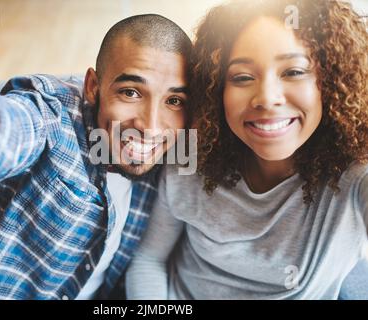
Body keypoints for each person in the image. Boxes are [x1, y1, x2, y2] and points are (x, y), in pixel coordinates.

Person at [0, 14, 191, 299]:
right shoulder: (52, 118)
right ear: (93, 87)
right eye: (131, 92)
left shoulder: (179, 148)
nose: (151, 127)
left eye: (173, 101)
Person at [126, 0, 368, 299]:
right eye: (242, 77)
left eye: (293, 71)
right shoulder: (192, 157)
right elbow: (149, 260)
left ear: (331, 81)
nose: (266, 98)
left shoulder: (355, 175)